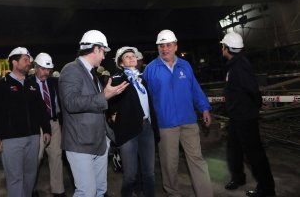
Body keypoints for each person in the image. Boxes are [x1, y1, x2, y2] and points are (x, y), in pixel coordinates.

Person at [143, 29, 213, 197]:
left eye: (168, 45)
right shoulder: (151, 70)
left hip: (188, 120)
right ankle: (173, 193)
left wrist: (204, 108)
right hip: (166, 125)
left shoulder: (185, 65)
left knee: (197, 160)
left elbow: (195, 89)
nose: (164, 49)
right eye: (161, 45)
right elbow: (145, 99)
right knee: (169, 164)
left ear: (175, 46)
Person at [58, 30, 128, 197]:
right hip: (80, 143)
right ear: (96, 49)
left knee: (100, 190)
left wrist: (107, 136)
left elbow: (96, 104)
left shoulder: (92, 75)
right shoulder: (71, 69)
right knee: (87, 192)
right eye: (103, 51)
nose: (104, 56)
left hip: (99, 142)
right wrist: (104, 96)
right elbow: (71, 102)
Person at [0, 47, 51, 197]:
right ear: (15, 63)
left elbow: (41, 110)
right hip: (11, 140)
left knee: (30, 176)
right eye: (25, 60)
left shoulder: (31, 85)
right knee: (15, 178)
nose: (29, 63)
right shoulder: (1, 86)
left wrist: (46, 129)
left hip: (33, 137)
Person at [220, 32, 276, 197]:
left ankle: (267, 189)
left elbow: (252, 88)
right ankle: (239, 178)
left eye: (222, 46)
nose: (221, 48)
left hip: (245, 118)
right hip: (237, 116)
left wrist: (256, 106)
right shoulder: (234, 64)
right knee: (234, 149)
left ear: (227, 48)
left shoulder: (239, 66)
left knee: (255, 154)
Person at [108, 46, 159, 197]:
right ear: (121, 63)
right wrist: (112, 113)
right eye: (127, 57)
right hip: (128, 130)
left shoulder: (142, 79)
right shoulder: (117, 79)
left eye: (133, 56)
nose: (132, 58)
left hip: (146, 128)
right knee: (130, 175)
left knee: (149, 172)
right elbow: (110, 101)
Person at [30, 53, 66, 197]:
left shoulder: (53, 83)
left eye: (48, 69)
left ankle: (58, 190)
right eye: (43, 69)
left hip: (54, 123)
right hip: (37, 126)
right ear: (36, 67)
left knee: (56, 156)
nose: (46, 72)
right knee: (36, 158)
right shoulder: (28, 84)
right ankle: (30, 188)